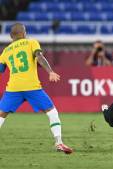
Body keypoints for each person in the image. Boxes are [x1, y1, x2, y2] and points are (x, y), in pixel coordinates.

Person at [0, 23, 73, 154]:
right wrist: (50, 71)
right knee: (52, 113)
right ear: (24, 33)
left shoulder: (6, 51)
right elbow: (40, 57)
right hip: (31, 86)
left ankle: (59, 143)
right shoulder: (31, 42)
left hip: (13, 88)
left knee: (1, 116)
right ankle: (59, 142)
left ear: (11, 36)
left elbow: (1, 69)